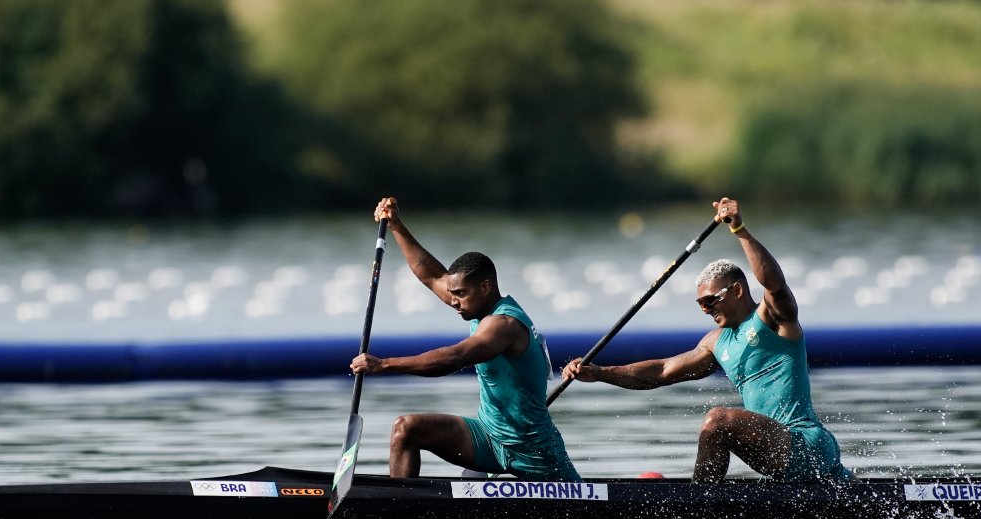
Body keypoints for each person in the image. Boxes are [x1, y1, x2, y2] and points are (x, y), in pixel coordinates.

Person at [562, 197, 852, 483]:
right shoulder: (716, 342)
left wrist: (739, 231)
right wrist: (600, 373)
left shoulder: (773, 319)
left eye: (711, 300)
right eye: (701, 303)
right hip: (776, 453)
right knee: (718, 424)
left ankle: (698, 506)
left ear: (737, 291)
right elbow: (660, 372)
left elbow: (774, 284)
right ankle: (705, 498)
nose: (707, 309)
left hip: (807, 445)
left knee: (718, 421)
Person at [350, 197, 582, 482]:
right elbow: (431, 275)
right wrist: (396, 225)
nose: (454, 301)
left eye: (460, 294)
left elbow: (455, 357)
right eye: (453, 293)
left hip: (534, 451)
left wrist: (384, 365)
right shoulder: (477, 304)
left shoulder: (504, 325)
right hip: (487, 437)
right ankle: (401, 508)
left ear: (485, 287)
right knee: (405, 428)